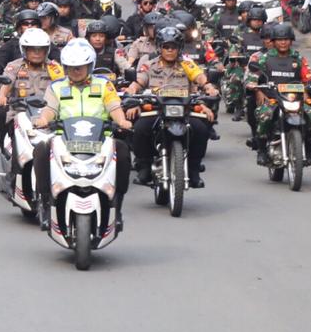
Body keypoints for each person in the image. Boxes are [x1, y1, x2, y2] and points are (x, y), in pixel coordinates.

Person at [33, 40, 134, 229]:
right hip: (64, 138)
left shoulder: (104, 84)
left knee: (122, 151)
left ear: (90, 65)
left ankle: (117, 207)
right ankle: (45, 203)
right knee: (41, 149)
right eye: (71, 67)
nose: (76, 71)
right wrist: (43, 120)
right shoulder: (56, 87)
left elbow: (114, 106)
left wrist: (122, 121)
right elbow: (49, 109)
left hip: (100, 138)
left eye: (80, 67)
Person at [125, 25, 218, 188]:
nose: (169, 50)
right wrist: (132, 92)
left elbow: (200, 77)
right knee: (139, 128)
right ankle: (144, 167)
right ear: (160, 47)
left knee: (202, 130)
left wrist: (209, 87)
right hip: (156, 108)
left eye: (173, 47)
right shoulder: (149, 63)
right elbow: (139, 81)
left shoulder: (187, 64)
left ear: (179, 48)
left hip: (184, 110)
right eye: (166, 47)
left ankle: (194, 170)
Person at [247, 22, 311, 165]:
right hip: (272, 100)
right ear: (273, 41)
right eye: (279, 39)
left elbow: (308, 77)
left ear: (291, 41)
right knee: (264, 116)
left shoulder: (298, 59)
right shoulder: (264, 59)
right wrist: (253, 84)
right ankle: (262, 151)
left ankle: (308, 151)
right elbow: (254, 75)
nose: (283, 42)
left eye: (286, 39)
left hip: (295, 100)